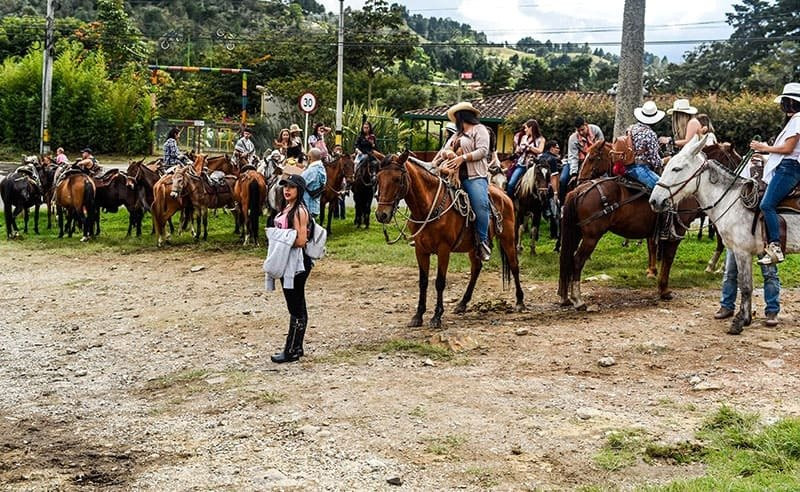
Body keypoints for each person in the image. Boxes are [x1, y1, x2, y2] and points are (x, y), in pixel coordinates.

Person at [753, 82, 800, 265]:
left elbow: (788, 149)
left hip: (789, 168)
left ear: (790, 102)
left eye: (785, 101)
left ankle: (775, 246)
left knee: (767, 205)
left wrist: (764, 148)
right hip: (788, 165)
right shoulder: (795, 119)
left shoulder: (797, 120)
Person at [268, 174, 313, 363]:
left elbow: (301, 240)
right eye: (285, 186)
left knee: (295, 306)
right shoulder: (287, 207)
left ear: (299, 190)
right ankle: (296, 347)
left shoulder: (299, 211)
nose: (287, 190)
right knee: (296, 304)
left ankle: (291, 350)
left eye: (292, 187)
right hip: (287, 259)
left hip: (296, 262)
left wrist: (278, 237)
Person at [442, 101, 492, 262]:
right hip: (451, 176)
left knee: (481, 205)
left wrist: (462, 158)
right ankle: (426, 232)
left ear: (461, 116)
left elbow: (483, 151)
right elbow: (445, 149)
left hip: (474, 177)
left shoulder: (480, 130)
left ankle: (482, 241)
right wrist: (448, 154)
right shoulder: (457, 135)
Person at [625, 101, 665, 191]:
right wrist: (666, 160)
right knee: (664, 190)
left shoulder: (631, 128)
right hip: (640, 169)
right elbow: (656, 162)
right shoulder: (650, 133)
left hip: (627, 167)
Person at [560, 116, 604, 198]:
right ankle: (562, 203)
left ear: (586, 125)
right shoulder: (573, 138)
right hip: (578, 162)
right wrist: (574, 173)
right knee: (563, 179)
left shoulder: (596, 130)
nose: (581, 132)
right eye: (578, 130)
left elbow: (601, 147)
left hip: (593, 161)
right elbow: (573, 157)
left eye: (582, 129)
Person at [507, 119, 545, 196]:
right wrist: (518, 149)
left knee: (543, 184)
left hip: (535, 166)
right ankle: (511, 202)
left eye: (526, 128)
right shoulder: (524, 137)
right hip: (522, 164)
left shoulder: (541, 139)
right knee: (511, 184)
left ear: (531, 128)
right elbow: (520, 149)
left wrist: (529, 146)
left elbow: (540, 150)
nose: (525, 130)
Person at [301, 147, 327, 220]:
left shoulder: (311, 171)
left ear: (310, 158)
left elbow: (299, 183)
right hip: (315, 206)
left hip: (307, 205)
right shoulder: (322, 169)